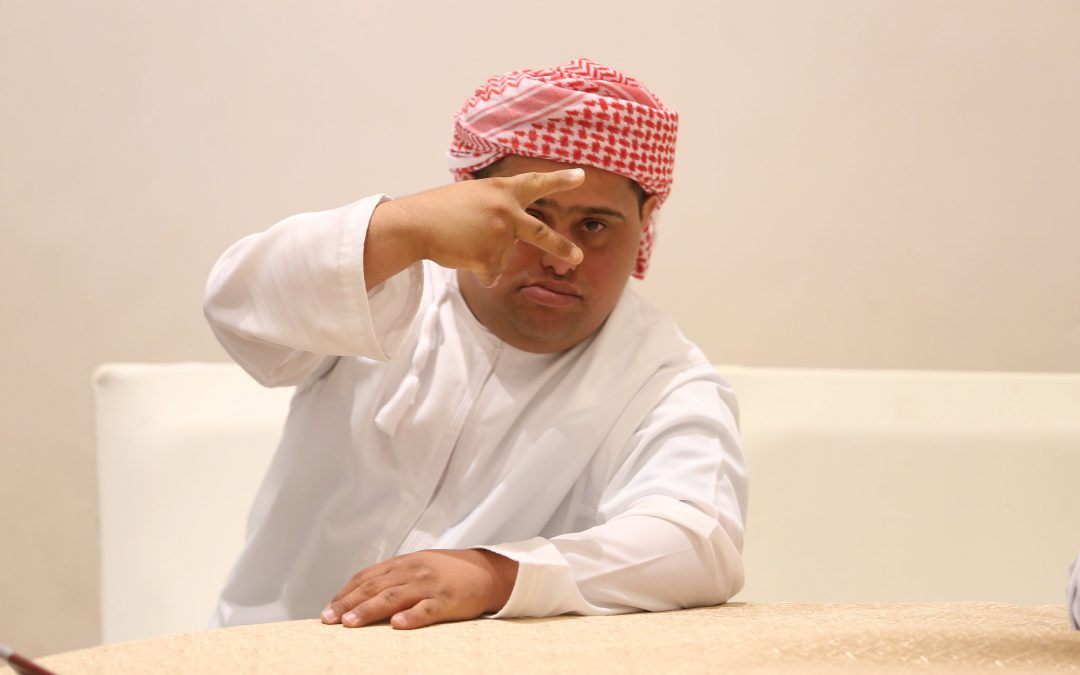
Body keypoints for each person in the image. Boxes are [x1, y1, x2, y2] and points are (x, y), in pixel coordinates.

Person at [203, 58, 747, 631]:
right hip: (263, 648)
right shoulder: (382, 288)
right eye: (532, 217)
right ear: (471, 207)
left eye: (594, 226)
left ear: (644, 224)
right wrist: (403, 226)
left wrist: (497, 576)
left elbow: (698, 543)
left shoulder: (663, 378)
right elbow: (237, 307)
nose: (560, 257)